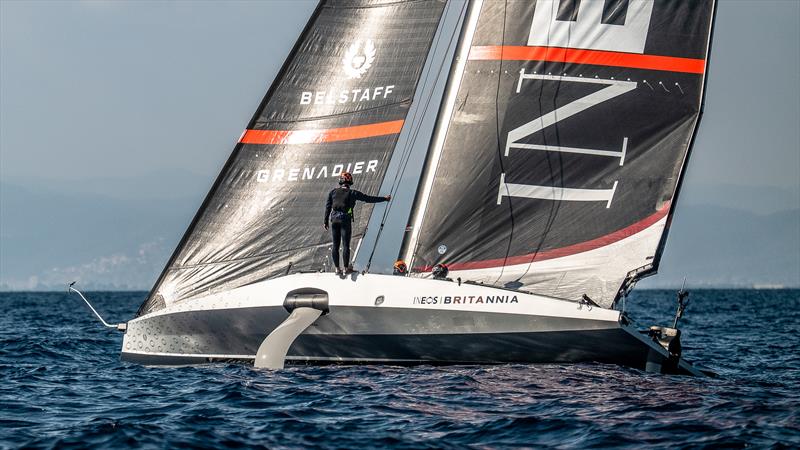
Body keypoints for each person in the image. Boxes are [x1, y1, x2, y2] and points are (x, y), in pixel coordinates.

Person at [324, 171, 391, 275]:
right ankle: (346, 268)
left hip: (334, 220)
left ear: (340, 182)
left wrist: (325, 222)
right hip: (345, 220)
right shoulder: (353, 193)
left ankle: (337, 269)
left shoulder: (333, 192)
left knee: (335, 245)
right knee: (346, 245)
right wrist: (384, 199)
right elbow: (368, 198)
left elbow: (328, 207)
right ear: (350, 182)